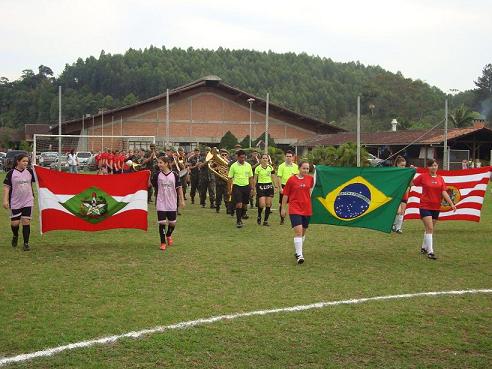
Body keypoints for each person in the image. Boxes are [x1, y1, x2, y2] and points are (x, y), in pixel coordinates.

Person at [412, 159, 456, 260]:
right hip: (425, 206)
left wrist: (451, 204)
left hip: (436, 207)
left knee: (429, 229)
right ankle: (430, 252)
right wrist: (412, 172)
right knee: (430, 228)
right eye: (432, 166)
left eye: (435, 165)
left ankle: (423, 247)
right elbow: (411, 184)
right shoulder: (423, 176)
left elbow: (444, 192)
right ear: (428, 167)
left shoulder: (440, 178)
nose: (434, 167)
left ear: (437, 166)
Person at [280, 161, 314, 264]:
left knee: (303, 232)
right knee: (298, 231)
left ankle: (297, 251)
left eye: (307, 169)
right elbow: (285, 195)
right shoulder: (291, 180)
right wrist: (283, 208)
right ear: (299, 168)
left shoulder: (310, 179)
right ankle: (300, 255)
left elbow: (312, 190)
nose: (306, 170)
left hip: (307, 208)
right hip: (295, 208)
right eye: (304, 168)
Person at [151, 155, 185, 251]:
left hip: (172, 203)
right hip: (161, 202)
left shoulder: (174, 175)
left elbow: (179, 188)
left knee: (172, 223)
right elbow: (150, 184)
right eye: (158, 163)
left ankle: (169, 235)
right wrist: (147, 176)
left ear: (166, 163)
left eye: (161, 163)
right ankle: (162, 243)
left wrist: (182, 200)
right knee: (162, 223)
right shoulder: (157, 175)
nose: (159, 165)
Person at [3, 153, 35, 251]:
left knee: (26, 221)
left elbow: (40, 179)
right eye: (24, 161)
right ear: (18, 161)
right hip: (15, 201)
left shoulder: (30, 171)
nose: (26, 163)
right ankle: (15, 235)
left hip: (28, 200)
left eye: (27, 161)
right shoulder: (11, 173)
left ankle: (26, 243)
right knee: (15, 223)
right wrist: (5, 200)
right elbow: (6, 188)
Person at [227, 149, 254, 228]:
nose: (243, 159)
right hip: (237, 186)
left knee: (245, 204)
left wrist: (252, 188)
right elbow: (229, 178)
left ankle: (243, 214)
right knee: (239, 204)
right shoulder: (233, 166)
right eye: (241, 158)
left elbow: (251, 177)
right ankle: (238, 221)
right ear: (237, 157)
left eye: (244, 157)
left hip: (246, 187)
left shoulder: (248, 165)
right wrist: (229, 190)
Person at [254, 153, 277, 226]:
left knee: (268, 204)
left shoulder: (270, 167)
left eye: (266, 158)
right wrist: (254, 188)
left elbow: (273, 177)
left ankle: (265, 221)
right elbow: (255, 179)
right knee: (262, 204)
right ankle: (259, 215)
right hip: (261, 186)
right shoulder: (258, 168)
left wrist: (276, 186)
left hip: (269, 186)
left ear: (268, 159)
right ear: (261, 159)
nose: (264, 159)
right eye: (263, 158)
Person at [276, 150, 299, 225]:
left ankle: (294, 218)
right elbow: (279, 177)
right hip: (284, 186)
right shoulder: (281, 166)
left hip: (293, 187)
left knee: (294, 203)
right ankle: (282, 218)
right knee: (282, 203)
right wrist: (280, 188)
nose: (288, 158)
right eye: (287, 156)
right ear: (285, 157)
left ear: (292, 157)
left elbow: (298, 177)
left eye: (290, 156)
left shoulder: (296, 166)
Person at [392, 156, 409, 234]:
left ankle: (398, 228)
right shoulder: (394, 172)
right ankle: (394, 225)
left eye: (404, 165)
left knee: (402, 212)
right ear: (397, 164)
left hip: (404, 194)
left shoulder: (406, 173)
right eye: (402, 165)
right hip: (396, 194)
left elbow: (409, 184)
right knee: (397, 211)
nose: (403, 167)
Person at [215, 149, 231, 213]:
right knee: (218, 196)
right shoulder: (217, 162)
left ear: (227, 155)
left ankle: (228, 209)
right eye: (222, 155)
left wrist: (226, 161)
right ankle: (217, 207)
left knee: (227, 196)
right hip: (219, 181)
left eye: (225, 155)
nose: (224, 156)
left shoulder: (229, 162)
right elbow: (214, 169)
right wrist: (217, 169)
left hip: (226, 182)